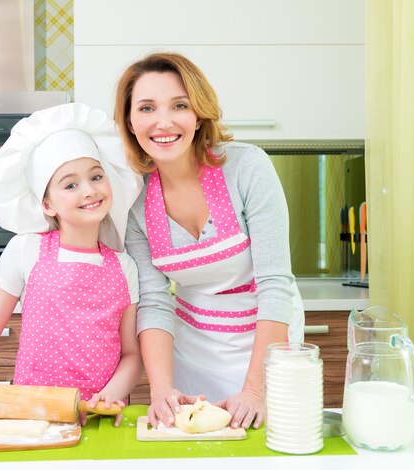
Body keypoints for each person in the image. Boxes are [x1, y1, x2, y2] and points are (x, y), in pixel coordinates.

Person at [0, 103, 144, 427]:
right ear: (47, 204)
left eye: (96, 176)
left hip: (98, 418)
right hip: (30, 416)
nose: (89, 190)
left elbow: (131, 354)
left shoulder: (125, 266)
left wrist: (108, 397)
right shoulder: (26, 249)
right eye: (70, 184)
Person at [114, 52, 304, 431]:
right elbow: (154, 301)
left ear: (198, 114)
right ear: (130, 122)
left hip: (268, 345)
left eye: (179, 105)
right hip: (193, 349)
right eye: (147, 108)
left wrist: (255, 390)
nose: (163, 122)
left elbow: (275, 284)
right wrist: (161, 390)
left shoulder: (247, 169)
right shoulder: (134, 205)